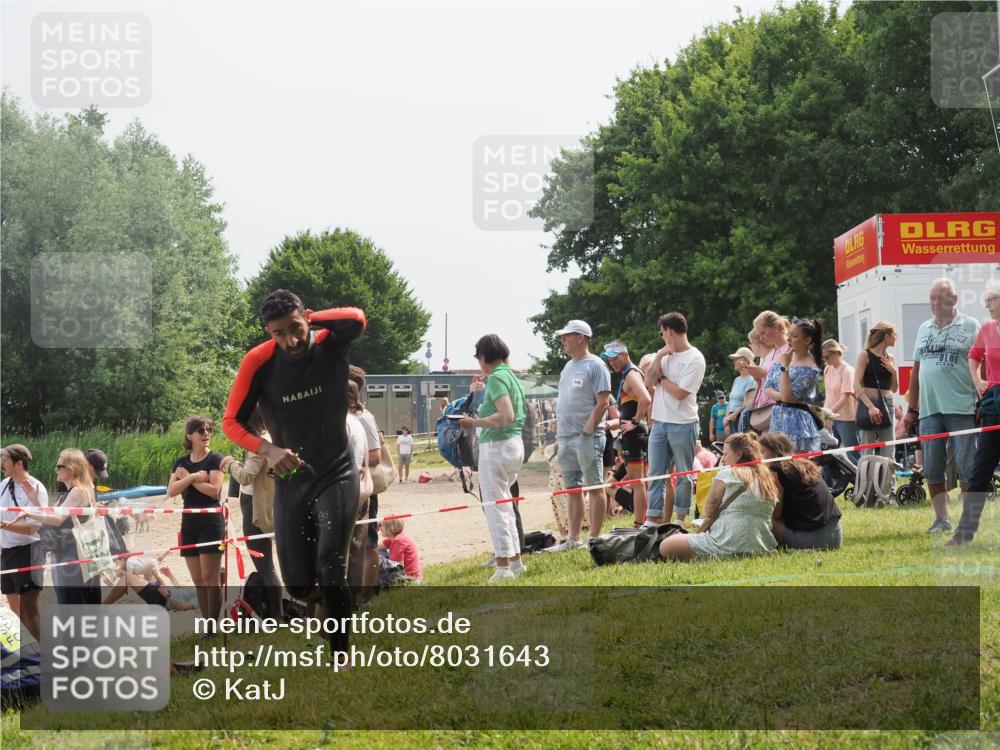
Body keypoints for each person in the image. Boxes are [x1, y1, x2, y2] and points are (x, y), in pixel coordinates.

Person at [222, 290, 365, 659]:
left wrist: (314, 320)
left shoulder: (331, 345)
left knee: (330, 563)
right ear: (268, 334)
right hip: (291, 481)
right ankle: (326, 605)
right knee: (300, 585)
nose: (290, 340)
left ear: (307, 318)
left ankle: (341, 655)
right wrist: (268, 450)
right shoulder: (259, 362)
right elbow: (230, 422)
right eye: (278, 333)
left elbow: (356, 317)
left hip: (336, 470)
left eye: (295, 328)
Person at [902, 278, 980, 535]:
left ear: (954, 300)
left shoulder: (971, 326)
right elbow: (915, 371)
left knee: (968, 467)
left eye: (940, 298)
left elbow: (983, 364)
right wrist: (912, 410)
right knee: (933, 467)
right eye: (932, 298)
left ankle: (967, 522)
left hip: (962, 408)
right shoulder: (924, 328)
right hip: (929, 411)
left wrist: (983, 398)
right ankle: (942, 519)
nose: (935, 303)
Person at [458, 334, 527, 581]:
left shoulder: (496, 377)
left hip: (497, 446)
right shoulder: (510, 375)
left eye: (478, 357)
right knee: (506, 505)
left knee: (496, 508)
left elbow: (505, 414)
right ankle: (516, 562)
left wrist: (473, 422)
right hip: (513, 445)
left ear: (484, 357)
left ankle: (503, 567)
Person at [658, 433, 778, 561]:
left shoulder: (727, 473)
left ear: (738, 455)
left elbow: (709, 510)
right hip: (762, 546)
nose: (723, 459)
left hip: (725, 542)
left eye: (725, 454)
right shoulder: (768, 477)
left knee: (666, 545)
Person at [548, 320, 612, 550]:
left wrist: (586, 431)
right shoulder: (567, 366)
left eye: (567, 336)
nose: (563, 340)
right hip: (566, 437)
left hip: (588, 437)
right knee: (573, 488)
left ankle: (593, 538)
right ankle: (573, 539)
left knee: (595, 486)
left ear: (581, 338)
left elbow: (603, 403)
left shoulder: (596, 365)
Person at [644, 312, 706, 527]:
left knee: (683, 474)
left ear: (669, 331)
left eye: (662, 333)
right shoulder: (664, 355)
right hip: (659, 422)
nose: (662, 337)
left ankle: (680, 519)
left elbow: (681, 393)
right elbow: (647, 382)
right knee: (655, 474)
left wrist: (661, 378)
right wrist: (660, 356)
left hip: (684, 423)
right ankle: (652, 518)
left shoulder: (695, 358)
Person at [220, 411, 283, 621]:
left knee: (265, 567)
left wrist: (230, 463)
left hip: (255, 508)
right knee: (267, 566)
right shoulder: (271, 437)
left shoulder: (258, 443)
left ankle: (277, 616)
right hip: (263, 504)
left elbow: (246, 477)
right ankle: (276, 614)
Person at [950, 281, 1000, 545]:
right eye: (987, 300)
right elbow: (974, 356)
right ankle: (963, 534)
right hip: (994, 406)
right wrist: (978, 380)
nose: (987, 305)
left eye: (992, 299)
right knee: (980, 471)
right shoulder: (987, 329)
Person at [16, 450, 101, 605]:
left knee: (72, 604)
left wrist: (29, 513)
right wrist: (35, 501)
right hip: (69, 553)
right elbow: (51, 515)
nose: (56, 469)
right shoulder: (69, 493)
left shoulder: (78, 491)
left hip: (73, 555)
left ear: (72, 468)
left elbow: (56, 520)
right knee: (70, 602)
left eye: (59, 465)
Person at [167, 416, 226, 623]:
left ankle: (213, 625)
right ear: (190, 435)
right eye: (201, 431)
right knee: (198, 580)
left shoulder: (215, 459)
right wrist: (192, 477)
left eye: (209, 430)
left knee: (211, 579)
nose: (206, 434)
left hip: (211, 520)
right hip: (189, 520)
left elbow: (214, 491)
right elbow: (171, 490)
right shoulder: (181, 462)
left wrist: (186, 479)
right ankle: (206, 622)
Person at [759, 432, 843, 550]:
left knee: (765, 516)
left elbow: (776, 513)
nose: (759, 458)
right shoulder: (805, 465)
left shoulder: (775, 471)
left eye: (762, 452)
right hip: (836, 536)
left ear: (776, 452)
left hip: (814, 541)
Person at [602, 340, 651, 527]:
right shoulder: (631, 373)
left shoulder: (631, 374)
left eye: (615, 359)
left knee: (637, 482)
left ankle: (640, 523)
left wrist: (635, 422)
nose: (611, 363)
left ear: (625, 355)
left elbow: (646, 399)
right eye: (609, 360)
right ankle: (642, 521)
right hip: (634, 435)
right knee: (639, 482)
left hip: (634, 435)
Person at [0, 444, 47, 640]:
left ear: (18, 463)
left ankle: (42, 655)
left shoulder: (36, 488)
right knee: (13, 605)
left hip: (30, 551)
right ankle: (26, 650)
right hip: (7, 551)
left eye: (5, 460)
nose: (2, 464)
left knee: (29, 608)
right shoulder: (3, 484)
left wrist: (4, 525)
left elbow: (33, 528)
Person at [348, 365, 386, 599]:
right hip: (344, 489)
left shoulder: (365, 417)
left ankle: (365, 596)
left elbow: (376, 455)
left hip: (364, 488)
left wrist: (355, 462)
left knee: (369, 542)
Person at [764, 317, 823, 452]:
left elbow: (789, 398)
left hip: (797, 425)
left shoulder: (810, 368)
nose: (789, 339)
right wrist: (782, 396)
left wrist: (785, 367)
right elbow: (767, 387)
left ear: (807, 340)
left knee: (794, 467)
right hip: (778, 418)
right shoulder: (785, 356)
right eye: (789, 334)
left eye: (794, 336)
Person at [852, 322, 900, 461]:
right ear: (886, 336)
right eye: (894, 335)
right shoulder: (865, 355)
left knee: (889, 449)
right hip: (869, 403)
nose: (896, 338)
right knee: (867, 450)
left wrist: (894, 371)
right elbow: (856, 385)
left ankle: (889, 483)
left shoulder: (890, 358)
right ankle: (867, 482)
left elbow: (895, 389)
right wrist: (870, 407)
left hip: (888, 403)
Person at [744, 312, 790, 432]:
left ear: (775, 327)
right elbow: (766, 379)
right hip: (764, 411)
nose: (761, 338)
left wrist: (763, 374)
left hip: (782, 412)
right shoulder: (771, 354)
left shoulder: (789, 351)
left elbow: (791, 383)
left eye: (763, 333)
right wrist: (756, 376)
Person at [103, 556, 197, 611]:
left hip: (162, 600)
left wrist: (167, 595)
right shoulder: (203, 589)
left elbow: (182, 607)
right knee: (130, 575)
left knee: (127, 577)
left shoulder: (205, 597)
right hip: (163, 592)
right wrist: (169, 575)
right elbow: (182, 591)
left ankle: (102, 607)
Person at [821, 339, 859, 465]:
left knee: (852, 454)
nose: (825, 360)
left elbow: (845, 398)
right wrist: (825, 415)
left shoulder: (848, 370)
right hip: (830, 418)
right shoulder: (827, 369)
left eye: (827, 357)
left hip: (846, 419)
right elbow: (829, 395)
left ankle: (862, 480)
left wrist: (828, 413)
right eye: (823, 358)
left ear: (836, 353)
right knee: (831, 455)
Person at [723, 347, 757, 437]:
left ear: (745, 361)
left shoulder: (751, 380)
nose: (734, 361)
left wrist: (730, 417)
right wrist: (727, 419)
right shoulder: (736, 379)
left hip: (741, 419)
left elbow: (746, 404)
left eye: (736, 359)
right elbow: (731, 401)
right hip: (732, 419)